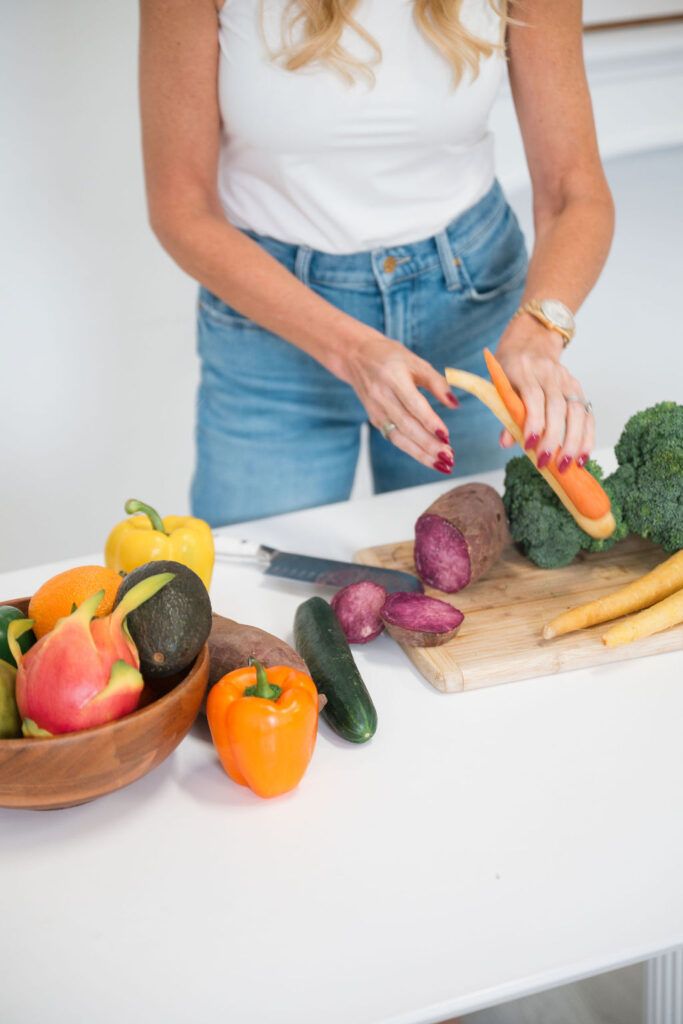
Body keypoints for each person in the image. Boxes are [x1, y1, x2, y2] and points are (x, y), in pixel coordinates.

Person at [139, 0, 614, 527]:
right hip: (272, 323)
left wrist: (538, 332)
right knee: (251, 576)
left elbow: (575, 191)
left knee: (486, 571)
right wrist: (352, 349)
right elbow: (182, 209)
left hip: (472, 312)